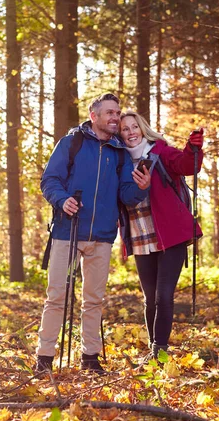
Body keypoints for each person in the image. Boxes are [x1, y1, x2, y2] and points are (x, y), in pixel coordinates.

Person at [36, 94, 150, 373]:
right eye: (109, 112)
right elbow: (49, 180)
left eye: (118, 113)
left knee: (94, 300)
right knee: (56, 297)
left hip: (102, 236)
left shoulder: (120, 152)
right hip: (67, 232)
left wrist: (141, 188)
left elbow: (126, 195)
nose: (115, 117)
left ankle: (90, 357)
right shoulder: (71, 144)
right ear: (93, 115)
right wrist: (63, 200)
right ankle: (44, 358)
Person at [119, 111, 204, 360]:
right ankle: (152, 349)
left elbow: (187, 166)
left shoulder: (161, 152)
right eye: (125, 129)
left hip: (170, 235)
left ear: (143, 129)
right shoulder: (120, 162)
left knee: (163, 295)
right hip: (140, 236)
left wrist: (192, 148)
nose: (131, 132)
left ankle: (160, 351)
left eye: (135, 126)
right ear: (120, 134)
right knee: (149, 299)